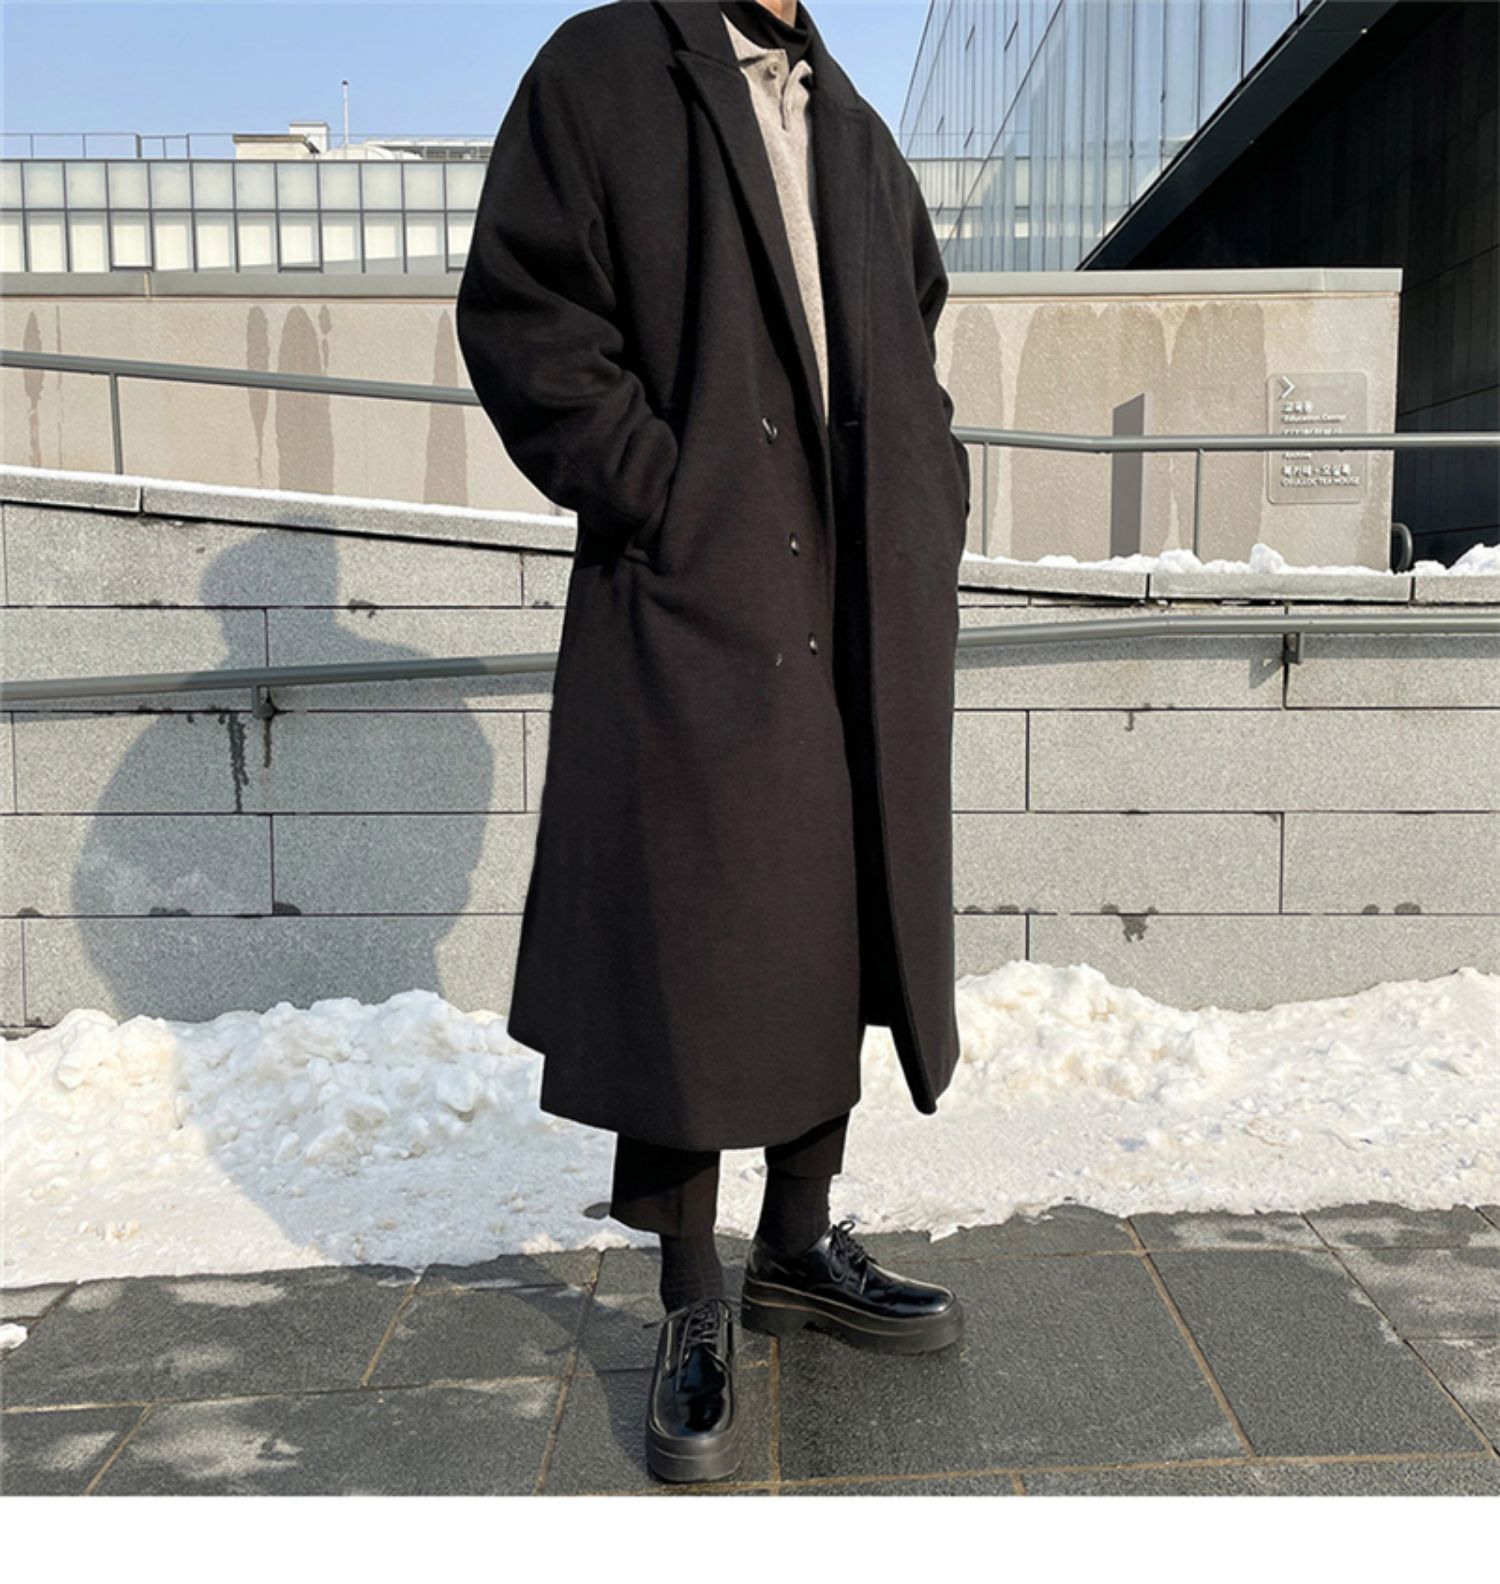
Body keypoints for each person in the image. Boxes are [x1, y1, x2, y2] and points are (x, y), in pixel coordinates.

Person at [456, 0, 973, 1484]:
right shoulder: (605, 71)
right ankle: (691, 1294)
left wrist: (929, 486)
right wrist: (661, 494)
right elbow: (525, 309)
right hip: (700, 583)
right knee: (691, 932)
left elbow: (913, 323)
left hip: (860, 589)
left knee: (838, 907)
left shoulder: (851, 125)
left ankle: (796, 1246)